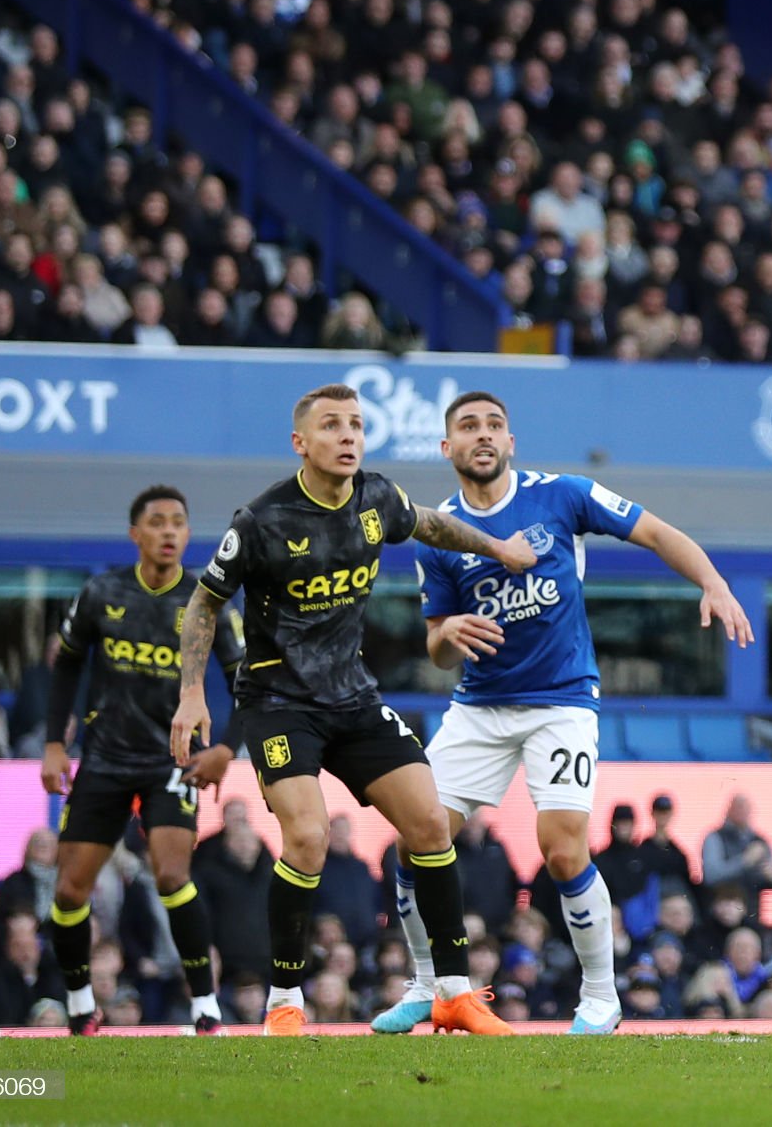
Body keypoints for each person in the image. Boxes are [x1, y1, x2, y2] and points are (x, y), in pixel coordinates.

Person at [373, 390, 749, 1037]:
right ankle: (427, 983)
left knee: (563, 851)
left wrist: (712, 582)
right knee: (414, 837)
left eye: (495, 425)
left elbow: (656, 532)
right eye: (468, 427)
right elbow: (436, 647)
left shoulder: (563, 495)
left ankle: (600, 999)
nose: (483, 435)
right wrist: (448, 633)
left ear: (511, 442)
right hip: (479, 707)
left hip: (562, 701)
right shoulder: (436, 533)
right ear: (448, 448)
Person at [171, 382, 534, 1036]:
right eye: (332, 426)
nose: (347, 437)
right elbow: (204, 601)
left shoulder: (377, 497)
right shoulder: (262, 520)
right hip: (280, 704)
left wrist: (497, 547)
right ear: (300, 443)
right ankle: (285, 999)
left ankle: (453, 994)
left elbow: (428, 521)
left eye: (357, 426)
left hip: (353, 697)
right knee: (307, 837)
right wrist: (192, 691)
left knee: (429, 822)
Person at [41, 485, 246, 1036]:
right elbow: (65, 666)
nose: (169, 532)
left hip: (172, 761)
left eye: (179, 522)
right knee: (68, 890)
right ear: (136, 534)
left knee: (172, 875)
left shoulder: (205, 602)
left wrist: (226, 747)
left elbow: (247, 680)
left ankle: (205, 1005)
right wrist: (53, 744)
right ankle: (81, 1002)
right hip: (104, 758)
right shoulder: (101, 592)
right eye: (157, 522)